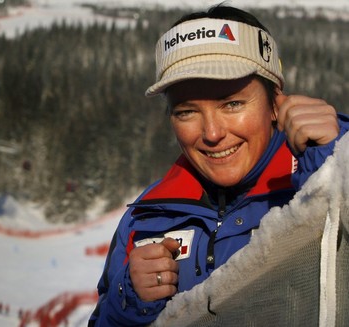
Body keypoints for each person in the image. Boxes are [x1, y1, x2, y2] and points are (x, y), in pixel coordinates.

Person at [89, 4, 349, 326]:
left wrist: (336, 160)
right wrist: (129, 300)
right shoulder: (146, 218)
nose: (212, 133)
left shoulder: (321, 175)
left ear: (275, 102)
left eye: (233, 103)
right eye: (186, 111)